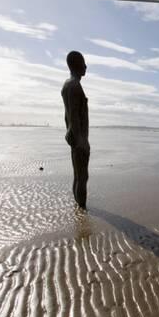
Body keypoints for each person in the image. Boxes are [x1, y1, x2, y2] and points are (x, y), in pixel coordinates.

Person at [61, 51, 90, 208]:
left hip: (76, 136)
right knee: (82, 176)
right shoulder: (73, 86)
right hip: (79, 138)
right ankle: (82, 210)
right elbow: (72, 116)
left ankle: (79, 208)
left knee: (78, 175)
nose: (85, 66)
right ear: (75, 65)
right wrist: (81, 141)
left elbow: (68, 115)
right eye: (83, 63)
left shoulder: (69, 85)